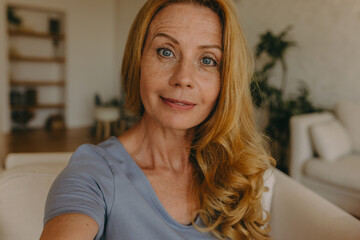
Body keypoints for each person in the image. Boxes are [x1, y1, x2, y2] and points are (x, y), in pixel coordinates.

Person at [40, 0, 275, 239]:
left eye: (207, 60)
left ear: (225, 80)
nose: (183, 78)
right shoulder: (93, 175)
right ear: (138, 59)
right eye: (166, 52)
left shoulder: (234, 170)